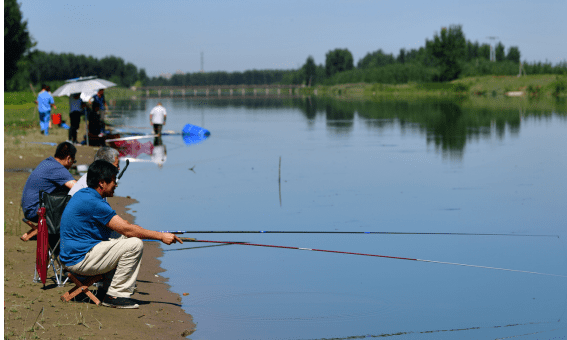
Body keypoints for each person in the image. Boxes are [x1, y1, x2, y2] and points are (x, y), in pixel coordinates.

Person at [59, 160, 183, 309]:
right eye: (113, 181)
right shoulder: (93, 201)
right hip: (78, 259)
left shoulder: (86, 194)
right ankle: (115, 295)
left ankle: (106, 289)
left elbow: (122, 226)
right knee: (134, 244)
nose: (116, 185)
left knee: (126, 238)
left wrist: (146, 232)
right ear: (102, 183)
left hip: (74, 254)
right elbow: (127, 229)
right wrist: (160, 236)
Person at [20, 142, 78, 241]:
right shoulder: (58, 168)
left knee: (66, 192)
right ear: (69, 158)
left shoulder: (47, 162)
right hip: (36, 210)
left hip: (29, 208)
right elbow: (78, 188)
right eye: (73, 161)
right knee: (76, 200)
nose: (72, 164)